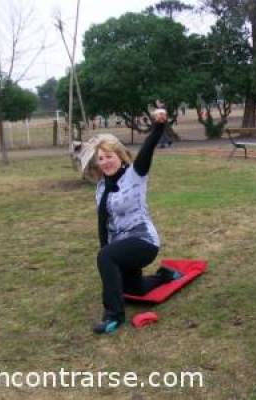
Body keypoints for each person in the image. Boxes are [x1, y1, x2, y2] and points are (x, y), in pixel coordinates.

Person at [91, 109, 179, 334]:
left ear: (120, 156)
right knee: (135, 289)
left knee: (106, 256)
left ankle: (113, 316)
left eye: (109, 156)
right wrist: (107, 254)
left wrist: (158, 125)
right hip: (121, 246)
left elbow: (147, 150)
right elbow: (103, 222)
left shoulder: (135, 173)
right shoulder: (101, 187)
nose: (105, 162)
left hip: (143, 241)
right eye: (101, 159)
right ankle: (164, 275)